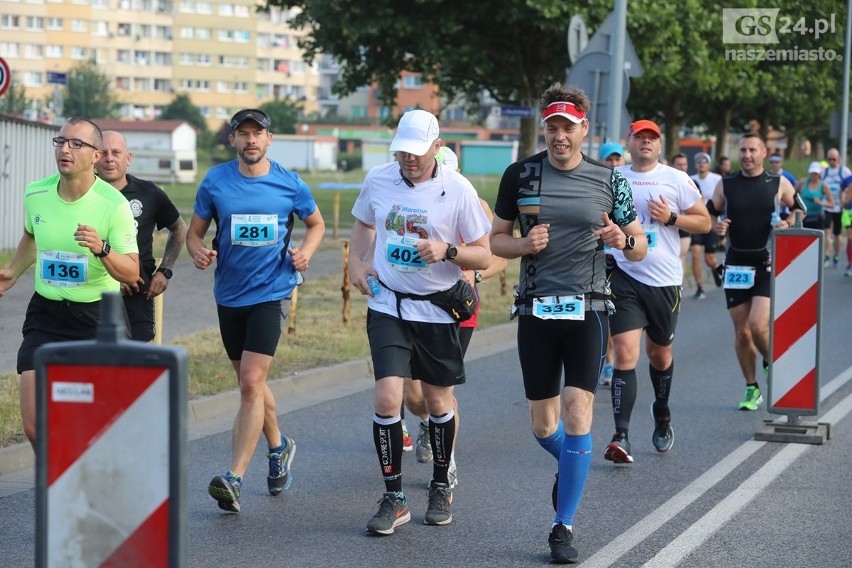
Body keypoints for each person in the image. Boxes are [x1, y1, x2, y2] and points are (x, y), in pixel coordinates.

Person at [490, 83, 647, 564]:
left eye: (568, 127)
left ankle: (563, 526)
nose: (560, 136)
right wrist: (523, 245)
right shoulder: (520, 174)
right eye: (552, 127)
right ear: (545, 128)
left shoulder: (609, 178)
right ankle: (573, 463)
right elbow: (496, 241)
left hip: (590, 308)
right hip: (537, 308)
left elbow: (641, 245)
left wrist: (623, 239)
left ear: (584, 129)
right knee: (544, 425)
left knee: (579, 411)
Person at [348, 109, 491, 536]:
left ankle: (440, 482)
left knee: (436, 402)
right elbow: (362, 223)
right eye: (401, 151)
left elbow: (483, 253)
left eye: (416, 152)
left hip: (437, 309)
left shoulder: (458, 189)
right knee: (388, 398)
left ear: (436, 146)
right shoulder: (378, 178)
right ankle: (393, 497)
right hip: (388, 304)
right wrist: (356, 263)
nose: (408, 159)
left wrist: (447, 251)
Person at [187, 108, 325, 513]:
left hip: (271, 293)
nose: (250, 140)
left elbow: (315, 225)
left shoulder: (289, 183)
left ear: (269, 139)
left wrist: (306, 255)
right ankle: (278, 446)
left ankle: (234, 477)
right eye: (242, 133)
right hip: (229, 296)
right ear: (232, 139)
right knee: (253, 386)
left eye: (257, 133)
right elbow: (194, 233)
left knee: (250, 383)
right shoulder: (215, 181)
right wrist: (198, 252)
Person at [0, 118, 139, 448]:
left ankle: (93, 485)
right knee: (35, 425)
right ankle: (60, 491)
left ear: (96, 155)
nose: (65, 149)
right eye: (60, 142)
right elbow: (32, 237)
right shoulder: (36, 192)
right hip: (46, 315)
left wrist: (101, 249)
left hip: (98, 320)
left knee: (98, 422)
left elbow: (132, 273)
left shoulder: (113, 205)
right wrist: (12, 272)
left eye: (76, 144)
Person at [604, 120, 711, 465]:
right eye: (640, 137)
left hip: (664, 279)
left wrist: (671, 217)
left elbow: (705, 222)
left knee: (660, 355)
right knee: (624, 354)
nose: (646, 143)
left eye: (652, 138)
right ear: (629, 142)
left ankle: (661, 411)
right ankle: (621, 435)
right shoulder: (615, 178)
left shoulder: (677, 179)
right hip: (624, 273)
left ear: (660, 145)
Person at [401, 145, 508, 488]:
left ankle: (446, 460)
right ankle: (427, 422)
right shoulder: (410, 204)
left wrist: (474, 275)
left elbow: (501, 257)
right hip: (412, 304)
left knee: (441, 393)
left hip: (457, 309)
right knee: (412, 396)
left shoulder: (475, 205)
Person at [710, 133, 796, 411]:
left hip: (766, 263)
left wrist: (787, 224)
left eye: (752, 150)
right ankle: (752, 388)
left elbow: (798, 210)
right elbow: (710, 213)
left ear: (763, 152)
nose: (747, 155)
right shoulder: (727, 184)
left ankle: (772, 364)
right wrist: (716, 226)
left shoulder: (778, 182)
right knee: (742, 332)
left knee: (759, 326)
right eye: (743, 150)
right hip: (735, 264)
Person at [96, 130, 188, 342]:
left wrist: (165, 271)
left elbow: (179, 228)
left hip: (137, 294)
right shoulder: (84, 194)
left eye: (116, 152)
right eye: (103, 152)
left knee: (136, 363)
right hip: (93, 293)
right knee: (96, 361)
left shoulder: (149, 193)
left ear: (128, 158)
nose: (109, 158)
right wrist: (113, 278)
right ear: (94, 157)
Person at [596, 141, 626, 387]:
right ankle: (608, 363)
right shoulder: (593, 185)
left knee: (620, 317)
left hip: (627, 264)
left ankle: (616, 359)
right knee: (605, 315)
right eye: (609, 160)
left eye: (617, 159)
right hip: (600, 260)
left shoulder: (628, 188)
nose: (614, 163)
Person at [689, 152, 724, 299]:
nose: (701, 164)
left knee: (709, 258)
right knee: (696, 254)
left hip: (712, 222)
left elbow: (723, 200)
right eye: (698, 162)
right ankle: (700, 288)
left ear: (709, 164)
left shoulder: (718, 179)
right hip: (696, 221)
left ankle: (717, 269)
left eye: (704, 162)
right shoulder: (690, 180)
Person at [820, 148, 850, 268]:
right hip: (827, 206)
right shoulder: (824, 172)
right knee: (826, 231)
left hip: (840, 207)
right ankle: (826, 255)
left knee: (837, 234)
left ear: (839, 159)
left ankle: (836, 255)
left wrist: (846, 199)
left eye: (834, 159)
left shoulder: (844, 171)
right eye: (829, 159)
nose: (832, 161)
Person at [796, 162, 834, 230]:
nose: (814, 175)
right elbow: (793, 194)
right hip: (803, 217)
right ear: (809, 173)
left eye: (816, 173)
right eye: (812, 173)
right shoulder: (803, 182)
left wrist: (821, 203)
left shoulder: (824, 186)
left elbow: (832, 204)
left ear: (819, 174)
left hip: (817, 218)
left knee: (817, 238)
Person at [840, 174, 852, 276]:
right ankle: (850, 264)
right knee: (850, 238)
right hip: (849, 212)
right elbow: (842, 192)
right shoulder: (848, 180)